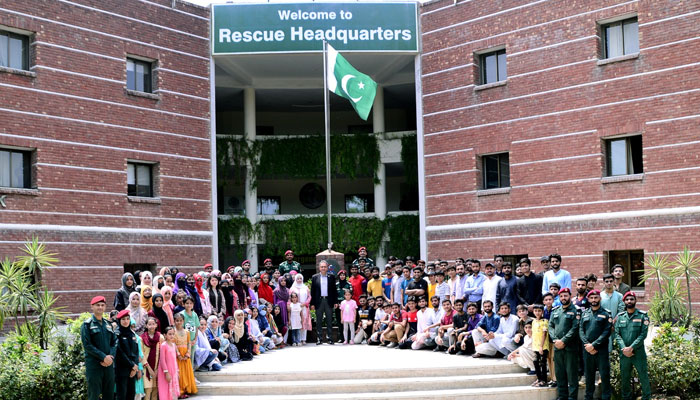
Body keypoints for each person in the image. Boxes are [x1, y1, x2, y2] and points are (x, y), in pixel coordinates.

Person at [615, 291, 651, 400]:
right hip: (624, 353)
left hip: (638, 353)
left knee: (643, 376)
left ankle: (646, 397)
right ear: (624, 301)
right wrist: (624, 348)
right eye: (627, 299)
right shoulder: (620, 317)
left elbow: (643, 334)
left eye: (631, 299)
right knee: (625, 378)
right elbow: (617, 334)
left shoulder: (642, 316)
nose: (629, 301)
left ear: (635, 300)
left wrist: (631, 348)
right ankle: (626, 397)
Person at [81, 296, 117, 400]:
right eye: (97, 305)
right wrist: (103, 357)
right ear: (92, 307)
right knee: (94, 395)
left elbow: (114, 342)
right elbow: (87, 345)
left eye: (102, 305)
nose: (100, 307)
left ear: (105, 307)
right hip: (94, 366)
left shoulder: (108, 324)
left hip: (108, 365)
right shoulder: (87, 325)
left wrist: (110, 357)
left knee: (109, 394)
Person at [579, 290, 612, 400]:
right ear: (588, 299)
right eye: (591, 298)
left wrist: (594, 345)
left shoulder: (606, 314)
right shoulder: (585, 313)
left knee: (604, 375)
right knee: (589, 376)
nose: (594, 300)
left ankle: (606, 397)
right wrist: (587, 345)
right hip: (587, 350)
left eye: (596, 298)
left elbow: (607, 332)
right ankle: (588, 397)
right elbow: (581, 331)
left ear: (600, 299)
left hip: (601, 350)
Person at [549, 288, 580, 400]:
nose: (563, 298)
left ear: (570, 296)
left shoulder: (576, 310)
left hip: (570, 348)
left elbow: (575, 327)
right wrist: (555, 340)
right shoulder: (556, 310)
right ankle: (562, 396)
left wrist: (564, 341)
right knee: (560, 374)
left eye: (565, 296)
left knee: (572, 375)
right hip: (558, 348)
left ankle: (572, 397)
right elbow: (550, 326)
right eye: (561, 296)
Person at [311, 260, 338, 345]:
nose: (323, 268)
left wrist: (335, 301)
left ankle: (330, 338)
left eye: (324, 267)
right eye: (321, 267)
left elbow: (334, 290)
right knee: (319, 321)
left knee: (329, 320)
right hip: (319, 301)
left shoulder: (332, 277)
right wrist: (312, 303)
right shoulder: (315, 277)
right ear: (319, 268)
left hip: (328, 300)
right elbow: (313, 291)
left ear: (327, 268)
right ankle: (319, 338)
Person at [114, 310, 139, 400]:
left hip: (133, 369)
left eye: (128, 319)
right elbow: (119, 353)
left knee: (131, 394)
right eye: (123, 319)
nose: (126, 321)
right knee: (122, 395)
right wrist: (132, 365)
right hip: (122, 370)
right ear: (119, 321)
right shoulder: (117, 334)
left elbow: (136, 351)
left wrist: (135, 366)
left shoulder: (131, 333)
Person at [173, 312, 197, 398]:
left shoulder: (187, 332)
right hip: (177, 354)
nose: (179, 322)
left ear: (183, 321)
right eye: (177, 321)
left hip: (185, 354)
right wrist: (178, 354)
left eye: (180, 320)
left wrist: (188, 353)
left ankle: (187, 389)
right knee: (179, 372)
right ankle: (180, 391)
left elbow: (189, 343)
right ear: (174, 321)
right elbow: (173, 343)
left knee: (186, 372)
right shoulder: (173, 332)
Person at [140, 317, 162, 400]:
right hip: (146, 369)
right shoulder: (142, 338)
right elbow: (141, 354)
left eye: (153, 324)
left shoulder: (160, 337)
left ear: (156, 325)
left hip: (158, 368)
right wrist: (150, 369)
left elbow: (162, 354)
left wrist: (156, 369)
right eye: (149, 324)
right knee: (148, 390)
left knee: (155, 390)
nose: (151, 326)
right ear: (146, 326)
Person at [157, 327, 180, 400]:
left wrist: (177, 371)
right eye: (169, 334)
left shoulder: (174, 345)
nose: (172, 336)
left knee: (173, 389)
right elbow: (162, 360)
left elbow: (174, 359)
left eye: (173, 334)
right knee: (165, 388)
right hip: (166, 371)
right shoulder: (164, 345)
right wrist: (166, 372)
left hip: (173, 370)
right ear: (165, 335)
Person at [290, 273, 312, 345]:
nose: (299, 280)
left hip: (304, 307)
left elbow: (309, 297)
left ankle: (303, 339)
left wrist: (305, 303)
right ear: (295, 279)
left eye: (300, 278)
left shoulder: (305, 287)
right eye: (298, 278)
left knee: (304, 322)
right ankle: (297, 339)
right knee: (297, 322)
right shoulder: (292, 288)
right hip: (295, 307)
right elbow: (290, 298)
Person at [531, 304, 550, 387]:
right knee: (535, 362)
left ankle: (544, 380)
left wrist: (541, 347)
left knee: (542, 363)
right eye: (535, 311)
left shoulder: (545, 321)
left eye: (539, 311)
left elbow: (544, 334)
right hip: (535, 346)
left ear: (542, 311)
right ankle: (539, 379)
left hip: (543, 347)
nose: (537, 312)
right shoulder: (533, 321)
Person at [273, 276, 290, 340]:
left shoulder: (287, 290)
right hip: (278, 310)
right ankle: (278, 340)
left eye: (284, 281)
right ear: (279, 282)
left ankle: (284, 340)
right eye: (282, 281)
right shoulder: (276, 291)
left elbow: (289, 300)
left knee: (285, 323)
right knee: (279, 323)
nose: (283, 282)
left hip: (285, 309)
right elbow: (274, 302)